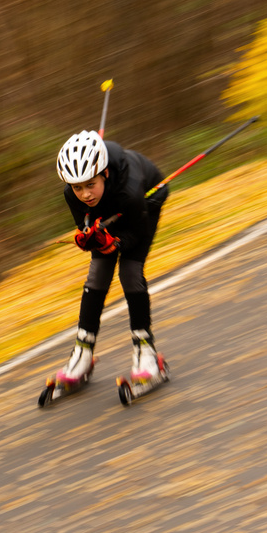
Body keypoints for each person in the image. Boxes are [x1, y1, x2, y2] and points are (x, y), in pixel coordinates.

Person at [54, 130, 168, 384]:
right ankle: (82, 352)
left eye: (90, 185)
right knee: (97, 274)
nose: (85, 194)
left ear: (104, 173)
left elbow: (136, 234)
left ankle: (146, 351)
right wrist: (88, 236)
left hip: (146, 199)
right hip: (110, 204)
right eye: (77, 187)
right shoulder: (72, 194)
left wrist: (115, 243)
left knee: (130, 271)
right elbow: (86, 222)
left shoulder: (130, 191)